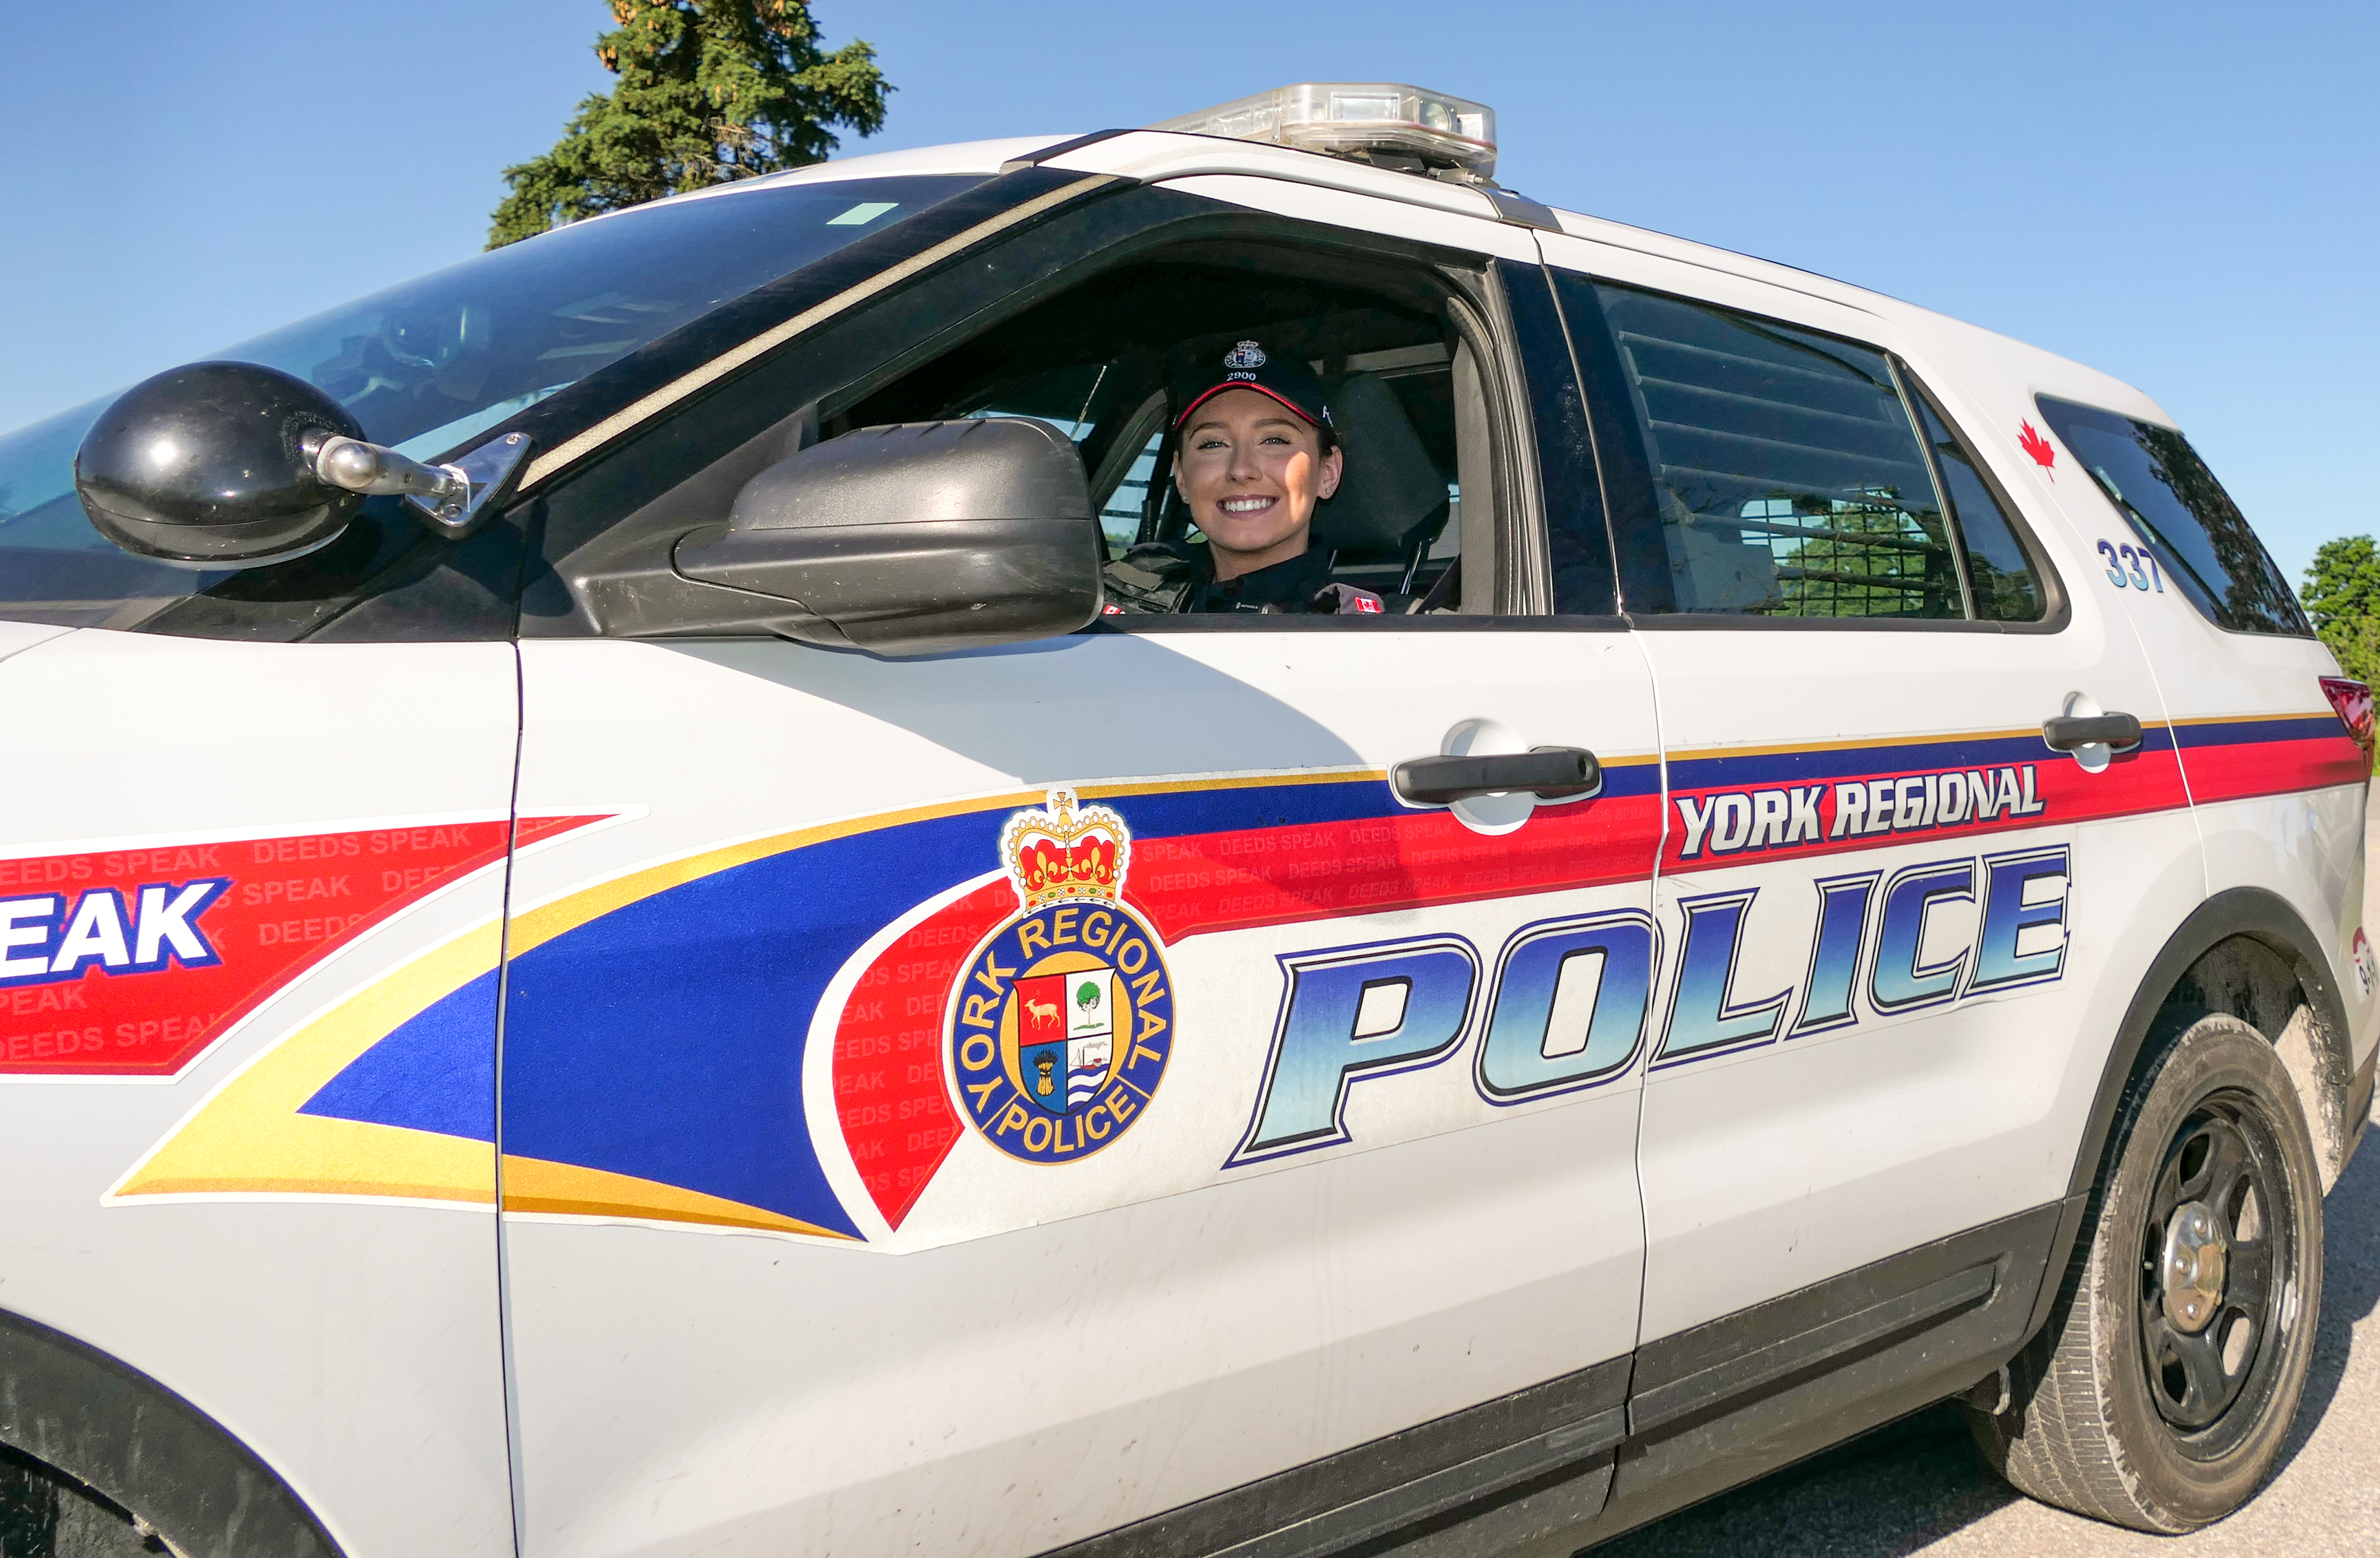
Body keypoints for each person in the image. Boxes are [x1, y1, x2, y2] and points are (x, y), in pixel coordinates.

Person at [1103, 340, 1386, 615]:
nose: (1241, 469)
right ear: (1182, 478)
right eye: (1213, 444)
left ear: (1328, 472)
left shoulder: (1370, 637)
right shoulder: (1109, 597)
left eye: (1274, 440)